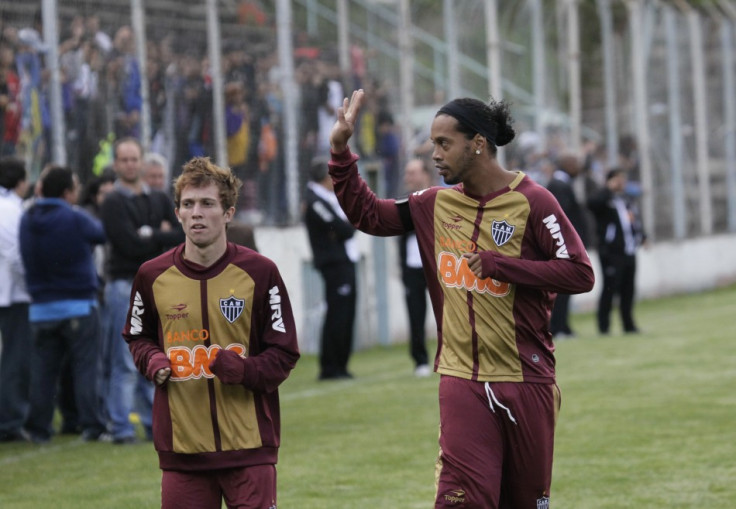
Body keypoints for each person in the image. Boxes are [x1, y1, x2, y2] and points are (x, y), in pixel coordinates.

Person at [327, 89, 595, 508]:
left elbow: (580, 273)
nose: (434, 154)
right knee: (460, 501)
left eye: (443, 143)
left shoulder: (534, 202)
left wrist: (503, 266)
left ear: (478, 144)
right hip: (461, 380)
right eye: (432, 144)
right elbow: (369, 216)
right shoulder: (433, 203)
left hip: (526, 379)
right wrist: (341, 153)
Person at [122, 156, 299, 509]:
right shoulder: (151, 276)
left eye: (207, 204)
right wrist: (153, 359)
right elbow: (137, 337)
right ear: (177, 213)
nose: (196, 213)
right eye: (188, 204)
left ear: (229, 213)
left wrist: (245, 370)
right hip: (182, 453)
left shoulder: (260, 273)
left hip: (249, 450)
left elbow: (284, 353)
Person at [100, 137, 184, 444]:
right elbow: (128, 244)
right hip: (124, 285)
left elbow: (179, 233)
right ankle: (121, 427)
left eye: (135, 159)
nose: (130, 165)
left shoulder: (158, 198)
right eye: (124, 160)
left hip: (156, 286)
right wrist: (156, 235)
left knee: (156, 355)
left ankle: (154, 424)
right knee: (124, 359)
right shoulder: (111, 202)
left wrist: (148, 236)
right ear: (116, 164)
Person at [19, 165, 109, 443]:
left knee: (43, 374)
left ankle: (38, 428)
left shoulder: (27, 219)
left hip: (40, 309)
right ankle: (92, 426)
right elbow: (101, 234)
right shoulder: (75, 218)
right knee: (85, 370)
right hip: (79, 306)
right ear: (68, 192)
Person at [304, 156, 359, 380]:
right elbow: (345, 229)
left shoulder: (326, 198)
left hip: (343, 260)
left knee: (346, 314)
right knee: (337, 314)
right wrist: (341, 230)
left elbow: (346, 227)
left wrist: (342, 229)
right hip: (334, 264)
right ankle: (330, 367)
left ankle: (341, 366)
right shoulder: (315, 200)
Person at [587, 168, 645, 335]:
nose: (622, 183)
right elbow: (591, 205)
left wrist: (642, 236)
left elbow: (633, 221)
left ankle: (629, 325)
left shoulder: (626, 200)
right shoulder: (604, 198)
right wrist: (608, 189)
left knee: (628, 289)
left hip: (629, 250)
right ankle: (604, 327)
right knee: (610, 289)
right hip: (611, 252)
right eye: (618, 180)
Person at [0, 157, 32, 442]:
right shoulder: (10, 209)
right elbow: (15, 255)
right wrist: (32, 285)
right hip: (11, 295)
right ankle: (10, 421)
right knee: (14, 359)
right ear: (21, 181)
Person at [546, 152, 589, 339]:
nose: (579, 168)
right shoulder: (558, 185)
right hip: (562, 246)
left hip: (567, 245)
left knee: (567, 287)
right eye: (576, 163)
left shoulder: (563, 184)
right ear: (567, 164)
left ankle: (563, 325)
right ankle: (557, 327)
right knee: (560, 288)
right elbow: (562, 217)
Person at [399, 158, 432, 377]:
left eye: (413, 172)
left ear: (425, 175)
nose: (409, 177)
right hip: (412, 266)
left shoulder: (436, 197)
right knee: (415, 314)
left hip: (437, 264)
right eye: (407, 172)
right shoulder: (403, 201)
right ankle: (420, 360)